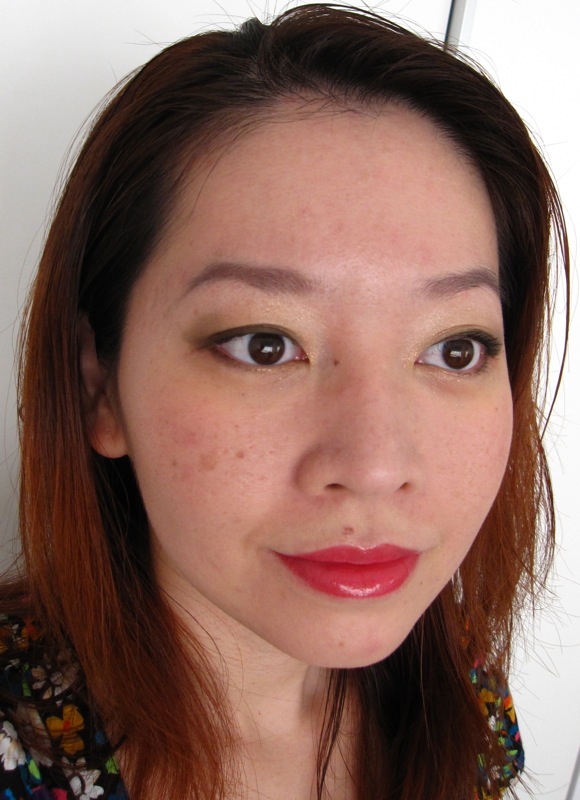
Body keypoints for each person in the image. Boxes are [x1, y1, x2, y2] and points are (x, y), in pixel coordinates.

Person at [0, 4, 568, 799]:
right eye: (265, 345)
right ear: (100, 385)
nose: (375, 467)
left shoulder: (460, 686)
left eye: (454, 349)